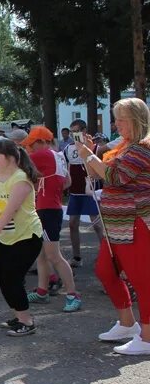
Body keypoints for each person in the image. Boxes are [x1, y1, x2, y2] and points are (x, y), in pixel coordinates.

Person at [78, 98, 150, 355]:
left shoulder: (142, 148)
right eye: (116, 118)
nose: (116, 124)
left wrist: (88, 155)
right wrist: (89, 154)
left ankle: (148, 336)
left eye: (121, 119)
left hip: (135, 222)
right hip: (117, 224)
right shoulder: (125, 147)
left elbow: (114, 177)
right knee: (105, 271)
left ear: (137, 120)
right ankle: (128, 323)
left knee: (143, 280)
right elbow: (97, 173)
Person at [0, 139, 44, 336]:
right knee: (3, 277)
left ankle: (27, 322)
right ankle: (19, 316)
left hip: (26, 236)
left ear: (10, 157)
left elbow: (10, 210)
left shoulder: (21, 179)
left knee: (13, 277)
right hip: (6, 237)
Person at [22, 127, 82, 312]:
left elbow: (16, 162)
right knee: (41, 254)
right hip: (48, 208)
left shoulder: (44, 155)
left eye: (31, 145)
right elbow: (67, 182)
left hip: (47, 210)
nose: (30, 150)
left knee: (54, 256)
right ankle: (42, 291)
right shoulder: (58, 156)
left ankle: (73, 294)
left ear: (41, 142)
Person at [63, 119, 105, 267]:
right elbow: (67, 168)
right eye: (72, 131)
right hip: (75, 192)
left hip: (90, 191)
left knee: (98, 225)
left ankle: (105, 256)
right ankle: (77, 257)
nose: (74, 134)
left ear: (84, 131)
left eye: (77, 131)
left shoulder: (94, 147)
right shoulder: (67, 149)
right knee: (73, 224)